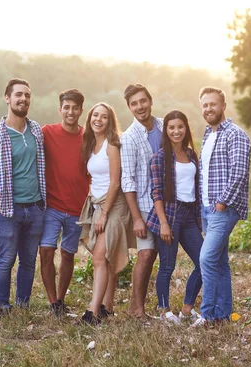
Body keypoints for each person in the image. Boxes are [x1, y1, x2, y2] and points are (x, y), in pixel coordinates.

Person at [0, 78, 46, 315]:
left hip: (35, 208)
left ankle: (23, 304)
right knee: (6, 259)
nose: (23, 99)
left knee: (28, 260)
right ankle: (3, 305)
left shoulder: (36, 130)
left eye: (27, 95)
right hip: (9, 209)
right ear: (7, 98)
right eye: (18, 95)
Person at [78, 102, 136, 325]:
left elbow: (114, 183)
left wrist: (103, 215)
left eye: (103, 116)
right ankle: (107, 306)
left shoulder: (112, 145)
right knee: (105, 257)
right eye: (95, 115)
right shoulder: (92, 144)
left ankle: (92, 312)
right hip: (97, 204)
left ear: (110, 120)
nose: (98, 120)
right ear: (90, 118)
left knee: (100, 257)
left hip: (113, 206)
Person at [198, 86, 251, 325]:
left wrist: (222, 202)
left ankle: (208, 314)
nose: (209, 109)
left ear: (223, 106)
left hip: (223, 208)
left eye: (213, 104)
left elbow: (238, 173)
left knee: (207, 259)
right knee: (219, 261)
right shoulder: (208, 135)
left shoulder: (235, 134)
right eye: (205, 105)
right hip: (207, 209)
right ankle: (223, 314)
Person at [146, 110, 203, 324]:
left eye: (180, 127)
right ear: (166, 131)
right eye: (171, 127)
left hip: (189, 216)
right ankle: (164, 310)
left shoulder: (191, 155)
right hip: (171, 215)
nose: (176, 131)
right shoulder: (159, 157)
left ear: (186, 128)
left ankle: (187, 309)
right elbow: (157, 193)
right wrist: (163, 223)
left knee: (204, 262)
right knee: (167, 266)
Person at [39, 89, 89, 317]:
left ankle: (61, 298)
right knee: (46, 250)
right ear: (60, 110)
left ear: (81, 110)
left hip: (77, 208)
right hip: (52, 207)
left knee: (68, 254)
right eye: (66, 107)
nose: (70, 112)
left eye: (74, 108)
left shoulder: (88, 137)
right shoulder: (47, 132)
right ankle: (52, 302)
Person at [120, 84, 163, 319]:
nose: (140, 107)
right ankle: (136, 309)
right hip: (145, 206)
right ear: (129, 107)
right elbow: (127, 180)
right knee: (146, 254)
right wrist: (136, 217)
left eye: (143, 101)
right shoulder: (129, 138)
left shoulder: (165, 126)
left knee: (155, 254)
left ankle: (148, 306)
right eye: (134, 103)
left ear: (150, 100)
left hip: (166, 204)